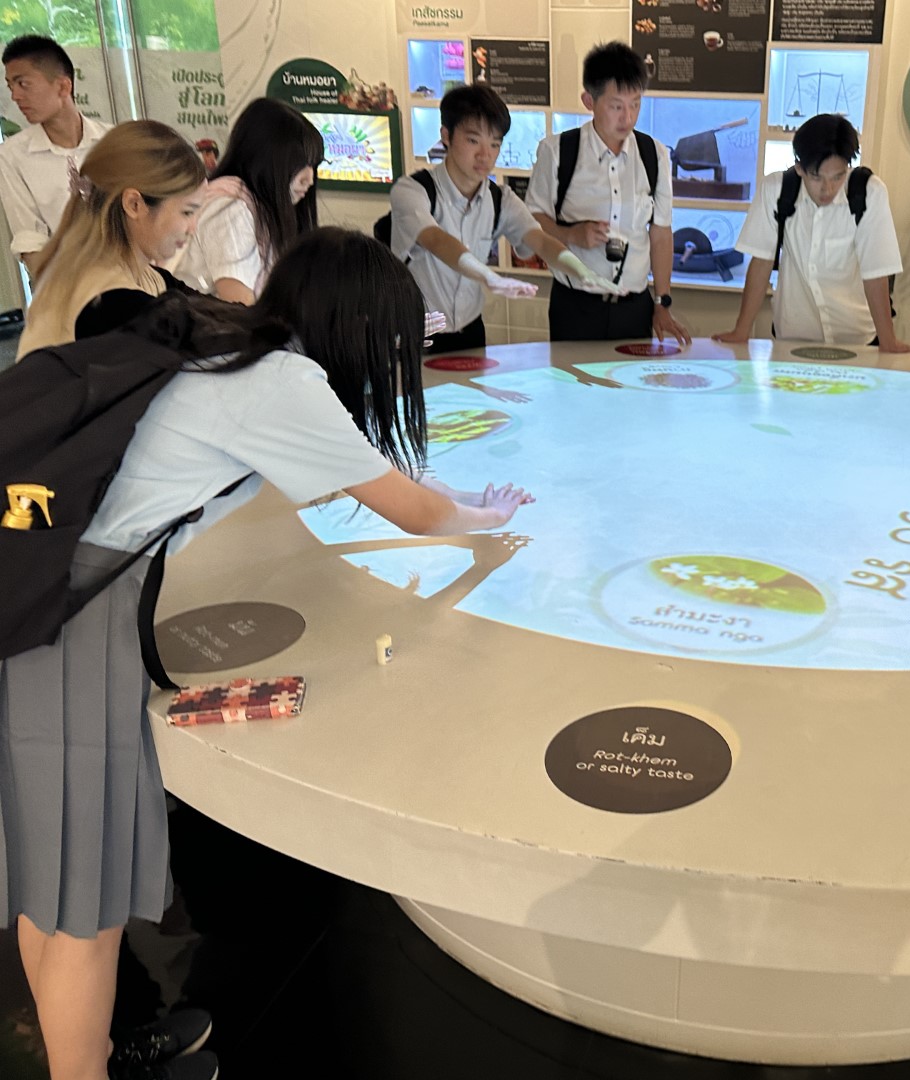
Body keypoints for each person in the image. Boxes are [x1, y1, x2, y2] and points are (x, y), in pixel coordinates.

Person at [0, 228, 536, 1080]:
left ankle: (92, 1051)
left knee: (55, 873)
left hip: (44, 580)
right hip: (70, 614)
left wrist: (474, 496)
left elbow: (373, 471)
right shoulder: (283, 384)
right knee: (82, 898)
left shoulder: (236, 336)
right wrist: (488, 519)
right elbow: (412, 511)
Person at [389, 83, 619, 352]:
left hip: (470, 331)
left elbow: (539, 240)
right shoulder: (413, 190)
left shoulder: (500, 199)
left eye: (495, 144)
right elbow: (437, 240)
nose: (485, 155)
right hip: (417, 333)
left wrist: (582, 271)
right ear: (446, 136)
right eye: (473, 140)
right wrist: (491, 278)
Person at [527, 41, 690, 344]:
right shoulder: (558, 151)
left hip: (634, 308)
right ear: (589, 100)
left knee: (631, 377)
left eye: (636, 104)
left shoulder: (654, 155)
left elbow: (660, 233)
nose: (627, 118)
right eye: (616, 106)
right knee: (571, 376)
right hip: (575, 306)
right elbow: (532, 221)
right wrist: (570, 234)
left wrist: (662, 301)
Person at [713, 113, 910, 351]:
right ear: (799, 167)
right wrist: (741, 331)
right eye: (817, 177)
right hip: (793, 335)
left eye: (838, 176)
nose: (828, 189)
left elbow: (876, 271)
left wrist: (888, 341)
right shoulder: (776, 190)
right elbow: (762, 262)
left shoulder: (869, 192)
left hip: (858, 337)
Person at [16, 119, 205, 359]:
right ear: (134, 205)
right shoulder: (110, 302)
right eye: (187, 212)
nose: (193, 228)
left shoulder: (144, 278)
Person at [172, 98, 323, 304]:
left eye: (313, 165)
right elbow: (240, 304)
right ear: (265, 159)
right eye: (299, 165)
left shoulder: (256, 207)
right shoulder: (231, 207)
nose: (309, 179)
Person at [0, 35, 111, 274]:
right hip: (68, 281)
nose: (15, 96)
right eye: (10, 86)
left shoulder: (112, 141)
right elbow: (29, 239)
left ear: (63, 86)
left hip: (134, 277)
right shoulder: (12, 155)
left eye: (23, 84)